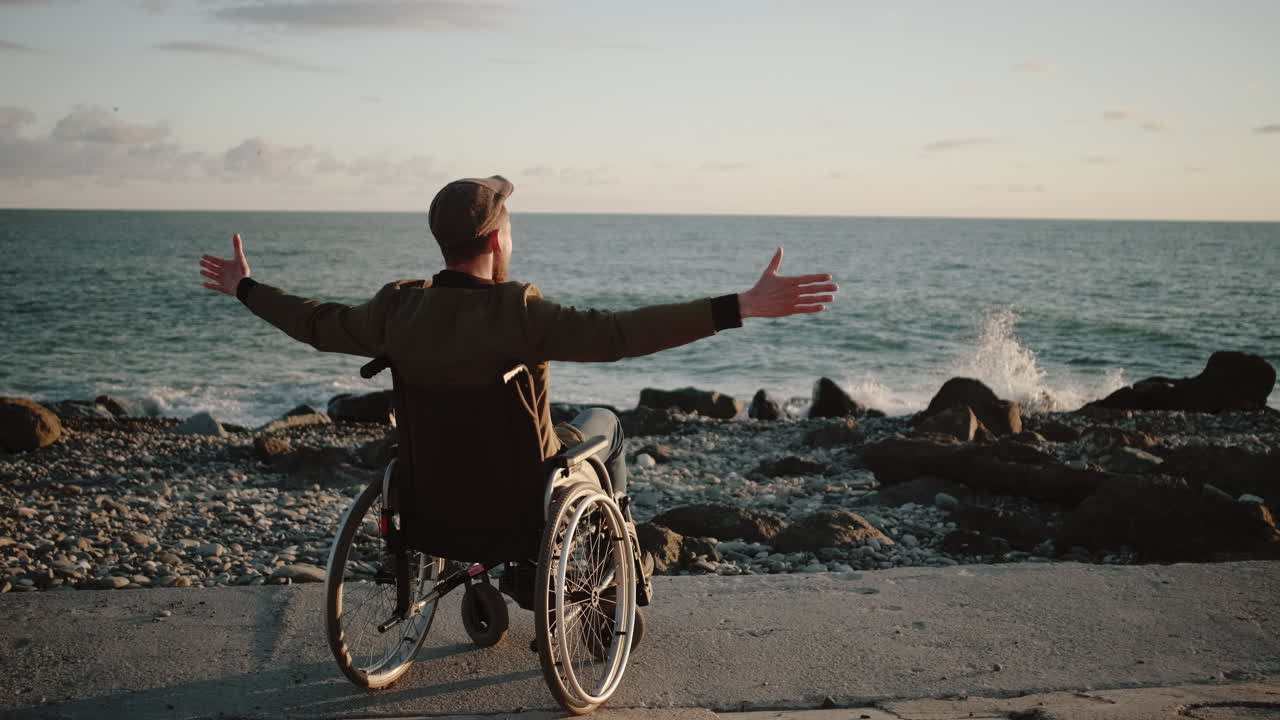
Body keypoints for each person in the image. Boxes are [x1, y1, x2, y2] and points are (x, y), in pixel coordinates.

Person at [199, 174, 836, 525]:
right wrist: (739, 307)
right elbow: (620, 335)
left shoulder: (396, 310)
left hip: (433, 488)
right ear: (498, 240)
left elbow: (314, 322)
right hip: (518, 490)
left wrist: (244, 287)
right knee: (607, 427)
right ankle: (604, 590)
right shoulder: (520, 312)